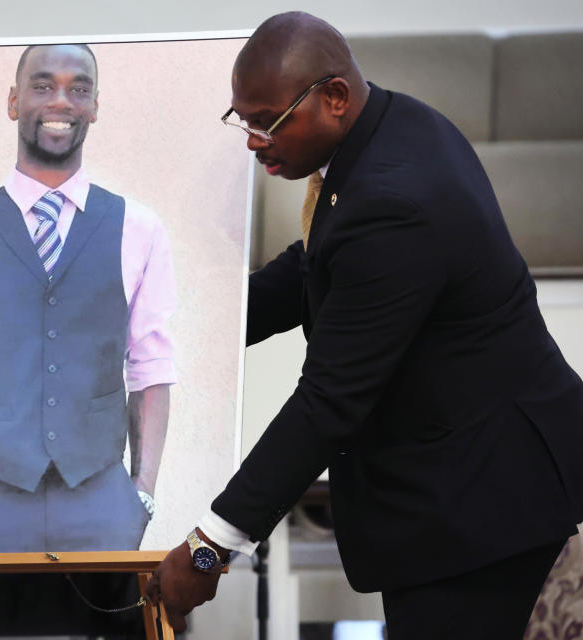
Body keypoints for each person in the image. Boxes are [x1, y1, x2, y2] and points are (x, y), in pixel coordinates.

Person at [146, 13, 583, 639]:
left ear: (334, 99)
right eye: (242, 119)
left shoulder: (395, 203)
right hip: (467, 478)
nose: (253, 140)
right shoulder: (395, 125)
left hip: (481, 500)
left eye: (268, 120)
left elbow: (328, 401)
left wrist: (212, 546)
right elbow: (316, 262)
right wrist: (182, 330)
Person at [0, 43, 177, 553]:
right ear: (12, 101)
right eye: (43, 85)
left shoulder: (141, 229)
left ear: (95, 107)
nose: (62, 101)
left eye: (79, 88)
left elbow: (152, 371)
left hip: (102, 507)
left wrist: (143, 494)